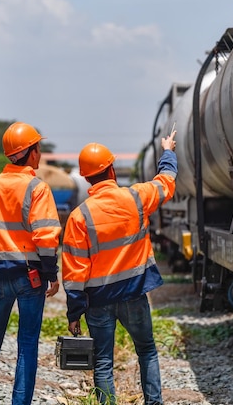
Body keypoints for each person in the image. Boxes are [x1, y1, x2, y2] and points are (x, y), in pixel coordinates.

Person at [61, 130, 177, 405]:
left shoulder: (80, 217)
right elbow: (167, 182)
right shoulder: (135, 198)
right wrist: (168, 151)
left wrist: (74, 312)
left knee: (102, 361)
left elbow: (74, 272)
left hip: (98, 301)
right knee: (146, 350)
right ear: (112, 169)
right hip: (134, 295)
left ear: (87, 178)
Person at [0, 121, 61, 405]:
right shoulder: (37, 187)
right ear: (30, 153)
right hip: (30, 276)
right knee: (27, 344)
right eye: (38, 147)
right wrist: (51, 274)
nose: (40, 153)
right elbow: (46, 237)